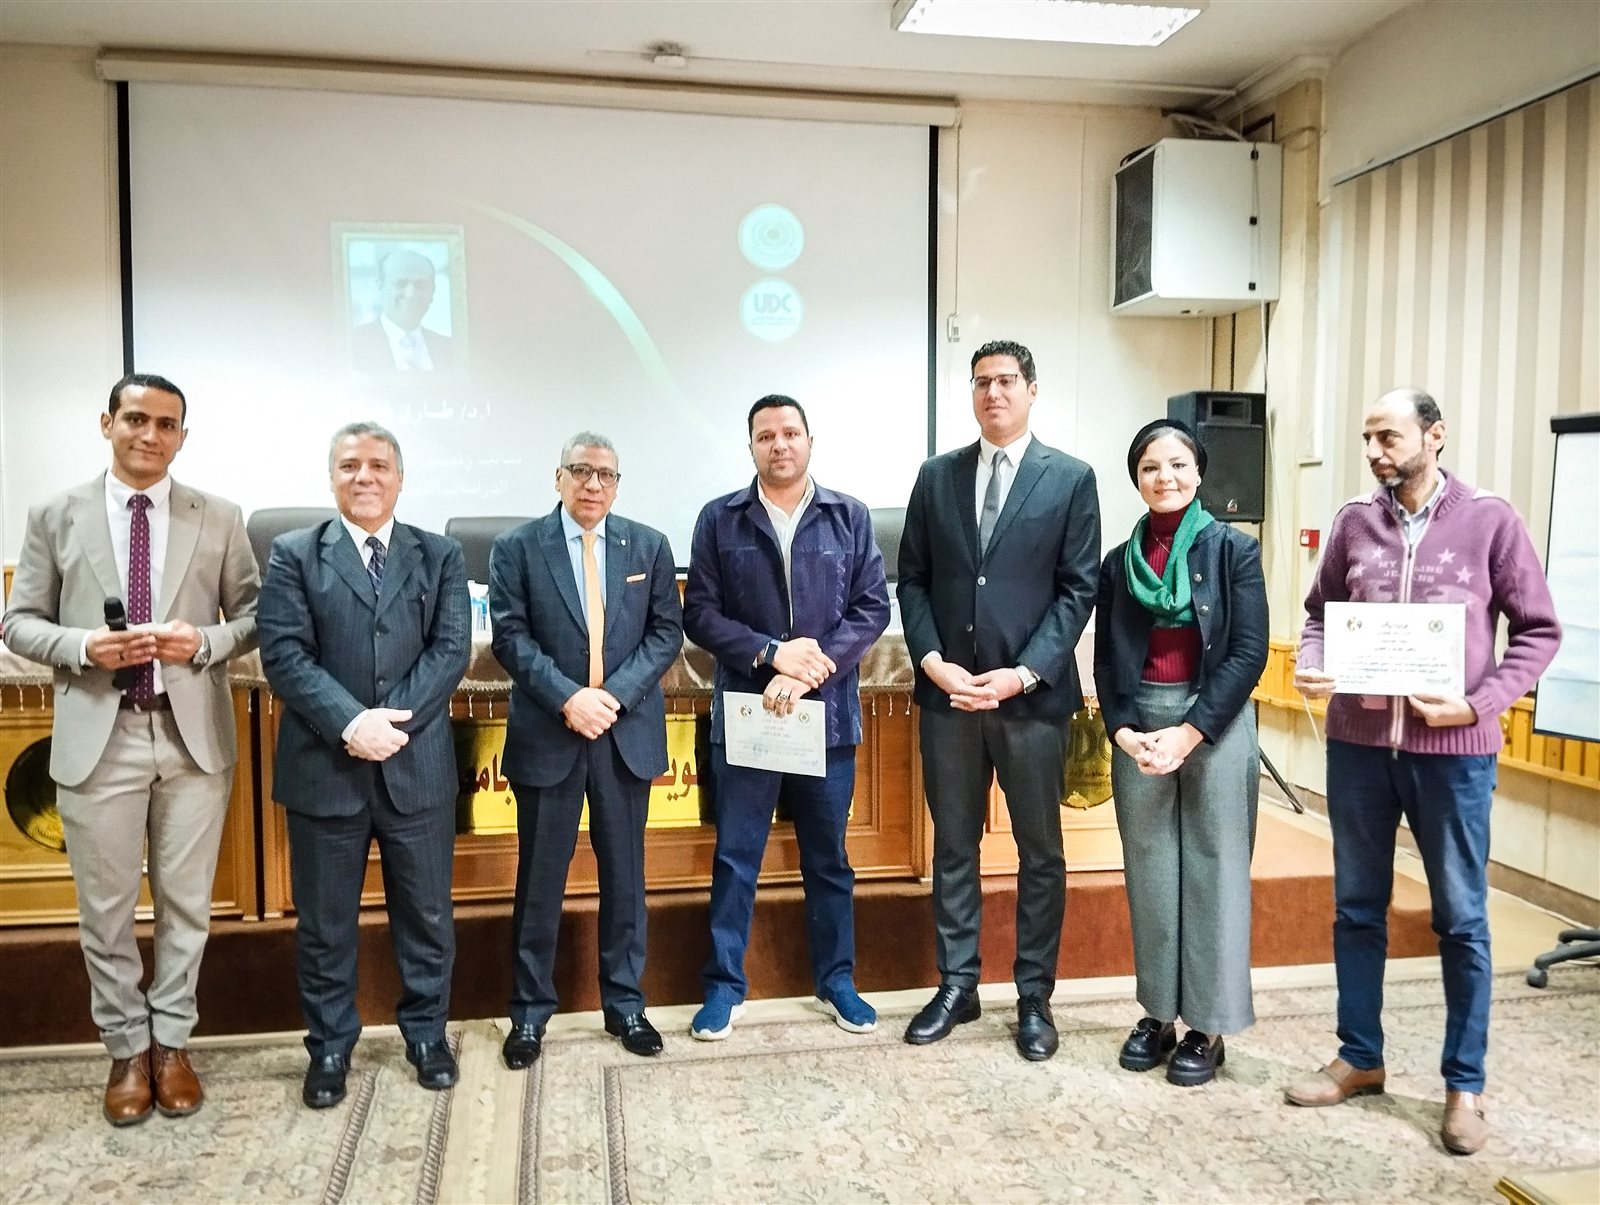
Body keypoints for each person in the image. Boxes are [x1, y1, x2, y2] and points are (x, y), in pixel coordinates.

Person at [1287, 387, 1560, 1155]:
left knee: (1462, 918)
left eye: (1389, 436)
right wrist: (1313, 662)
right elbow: (1319, 613)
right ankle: (1359, 1056)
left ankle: (1464, 1084)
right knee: (1357, 908)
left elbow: (1538, 632)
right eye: (1367, 437)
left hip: (1455, 757)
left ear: (1434, 435)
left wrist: (1478, 705)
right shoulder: (1353, 521)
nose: (1374, 451)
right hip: (1359, 750)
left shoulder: (1490, 520)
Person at [2, 373, 260, 1126]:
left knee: (187, 905)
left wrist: (202, 641)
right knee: (106, 911)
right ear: (107, 423)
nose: (150, 435)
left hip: (190, 737)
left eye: (166, 424)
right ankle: (125, 1047)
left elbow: (253, 616)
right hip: (99, 733)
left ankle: (171, 1044)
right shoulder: (56, 514)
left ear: (183, 436)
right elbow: (19, 621)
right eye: (136, 419)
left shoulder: (219, 515)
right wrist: (83, 645)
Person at [257, 421, 471, 1109]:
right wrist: (353, 723)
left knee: (428, 917)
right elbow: (283, 654)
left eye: (379, 464)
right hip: (326, 768)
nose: (365, 476)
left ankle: (427, 1036)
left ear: (400, 478)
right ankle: (328, 1047)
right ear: (332, 477)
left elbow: (451, 649)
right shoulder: (294, 554)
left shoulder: (439, 554)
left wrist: (389, 724)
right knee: (324, 924)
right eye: (350, 464)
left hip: (417, 768)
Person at [897, 339, 1100, 1061]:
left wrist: (1023, 673)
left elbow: (1078, 589)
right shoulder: (937, 476)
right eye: (982, 381)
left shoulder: (1071, 478)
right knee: (953, 845)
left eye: (1007, 380)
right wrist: (932, 662)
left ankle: (1034, 997)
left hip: (1030, 702)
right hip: (949, 699)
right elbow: (912, 579)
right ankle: (958, 984)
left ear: (1032, 390)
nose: (994, 393)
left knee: (1040, 852)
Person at [682, 395, 890, 1040]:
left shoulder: (848, 516)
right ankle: (724, 988)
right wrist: (772, 654)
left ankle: (837, 983)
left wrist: (808, 669)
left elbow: (871, 608)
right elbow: (700, 613)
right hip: (751, 713)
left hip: (825, 719)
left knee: (828, 859)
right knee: (735, 857)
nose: (780, 444)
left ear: (809, 441)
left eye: (791, 432)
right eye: (766, 435)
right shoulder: (720, 518)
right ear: (751, 446)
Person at [488, 433, 682, 1066]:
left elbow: (665, 634)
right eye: (581, 471)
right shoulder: (518, 547)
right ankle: (528, 1013)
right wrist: (569, 698)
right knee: (539, 881)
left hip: (623, 734)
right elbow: (510, 637)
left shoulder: (648, 545)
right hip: (552, 731)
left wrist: (612, 698)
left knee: (625, 878)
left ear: (618, 484)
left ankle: (626, 1004)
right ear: (559, 478)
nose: (593, 484)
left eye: (606, 474)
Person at [1093, 418, 1268, 1087]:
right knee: (1150, 870)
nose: (1164, 477)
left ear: (1198, 473)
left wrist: (1190, 731)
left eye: (1177, 465)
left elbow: (1248, 651)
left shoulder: (1234, 550)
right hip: (1140, 725)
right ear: (1136, 479)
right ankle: (1158, 1013)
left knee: (1214, 868)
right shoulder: (1118, 563)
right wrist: (1122, 730)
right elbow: (1108, 659)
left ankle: (1208, 1026)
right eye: (1150, 467)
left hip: (1213, 721)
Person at [351, 248, 454, 372]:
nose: (411, 295)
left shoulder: (451, 349)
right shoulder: (351, 344)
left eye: (420, 285)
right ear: (380, 287)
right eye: (400, 284)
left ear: (433, 291)